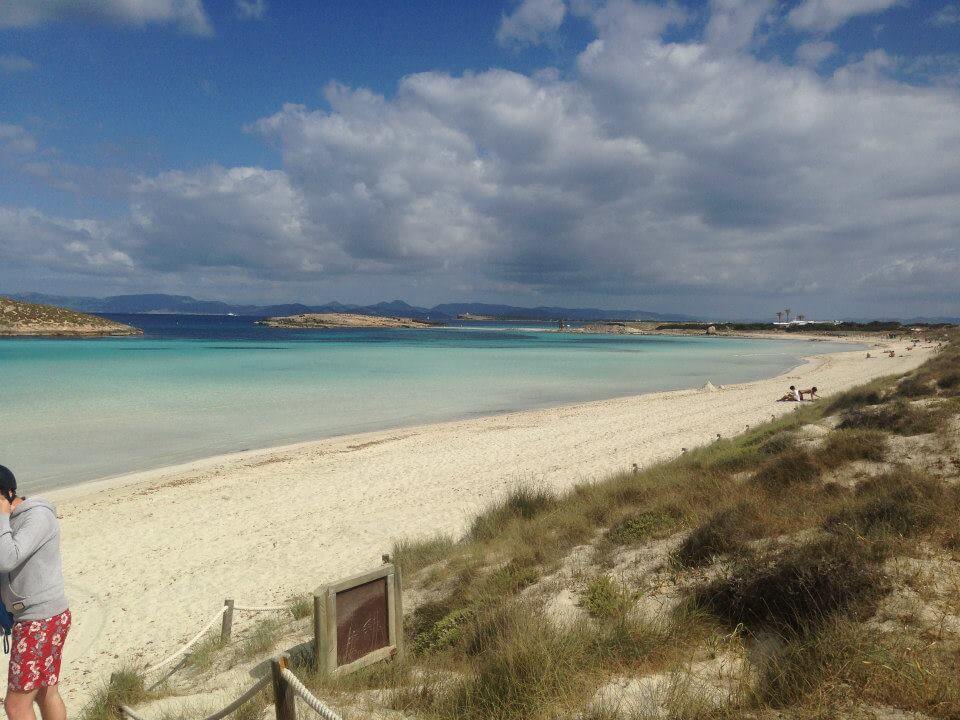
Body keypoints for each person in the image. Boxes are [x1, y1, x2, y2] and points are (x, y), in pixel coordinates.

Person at [0, 465, 70, 720]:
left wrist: (1, 518)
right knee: (44, 693)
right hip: (35, 618)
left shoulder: (37, 517)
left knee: (16, 706)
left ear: (7, 494)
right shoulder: (7, 522)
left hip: (40, 619)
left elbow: (7, 559)